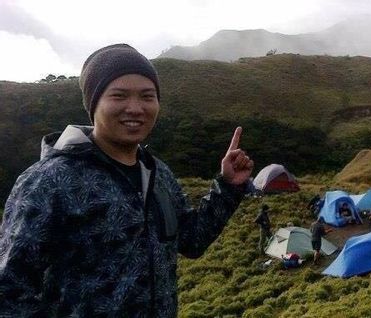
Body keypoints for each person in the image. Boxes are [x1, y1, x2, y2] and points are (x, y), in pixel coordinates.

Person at [0, 44, 254, 317]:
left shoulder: (158, 174)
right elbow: (9, 292)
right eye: (119, 96)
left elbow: (191, 241)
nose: (135, 108)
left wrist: (228, 186)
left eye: (147, 96)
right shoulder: (47, 182)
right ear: (93, 104)